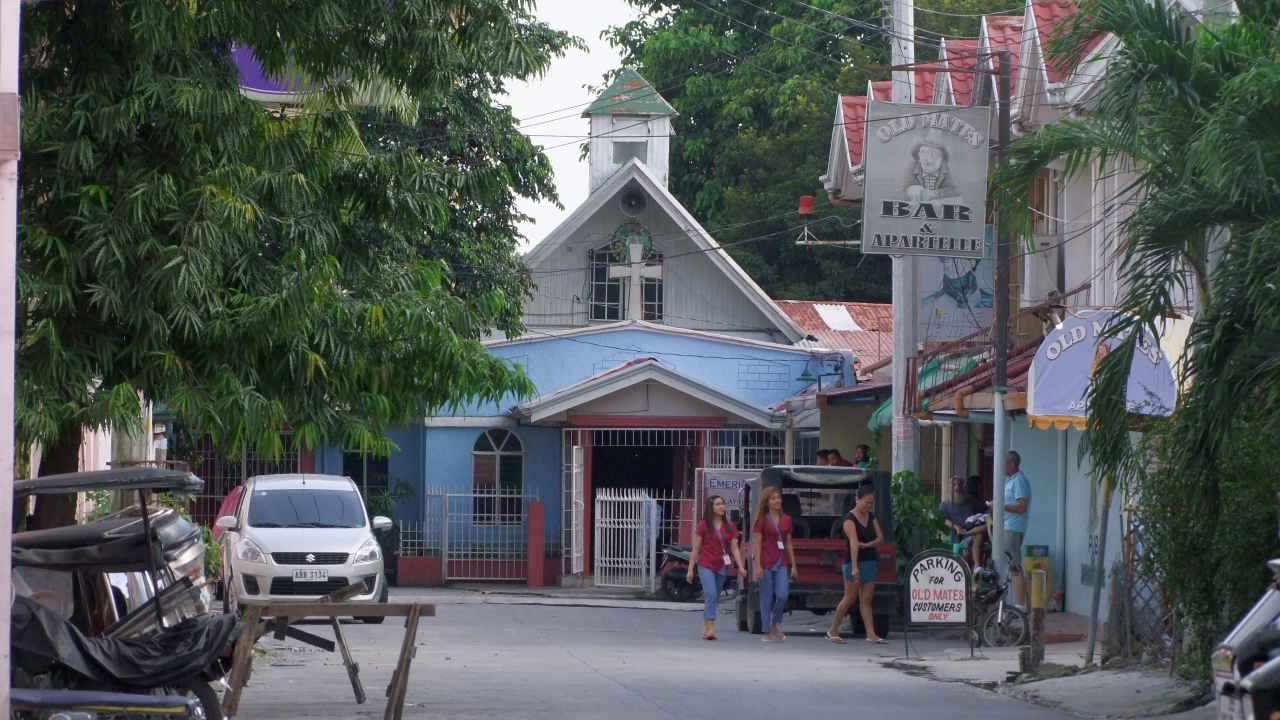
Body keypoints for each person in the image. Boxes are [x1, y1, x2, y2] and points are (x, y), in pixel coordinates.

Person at [826, 485, 887, 644]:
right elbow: (853, 543)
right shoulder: (849, 520)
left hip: (870, 559)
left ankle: (871, 634)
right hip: (853, 561)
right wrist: (854, 567)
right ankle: (833, 629)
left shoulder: (872, 517)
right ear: (857, 500)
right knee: (849, 597)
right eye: (866, 502)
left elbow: (880, 537)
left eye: (871, 503)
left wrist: (868, 545)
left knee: (866, 599)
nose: (868, 506)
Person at [687, 495, 746, 641]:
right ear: (711, 508)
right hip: (706, 564)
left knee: (714, 597)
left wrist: (740, 566)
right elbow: (696, 548)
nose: (722, 507)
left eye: (723, 504)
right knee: (712, 594)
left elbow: (735, 549)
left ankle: (707, 625)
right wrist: (690, 569)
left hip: (721, 566)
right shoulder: (703, 525)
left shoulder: (730, 526)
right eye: (718, 504)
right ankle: (711, 626)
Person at [752, 487, 797, 642]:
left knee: (783, 595)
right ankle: (766, 631)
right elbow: (756, 544)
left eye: (778, 498)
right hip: (765, 562)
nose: (777, 501)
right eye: (772, 498)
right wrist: (757, 565)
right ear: (767, 502)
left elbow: (789, 543)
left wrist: (794, 565)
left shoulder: (787, 519)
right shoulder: (762, 520)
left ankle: (776, 622)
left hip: (782, 562)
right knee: (766, 597)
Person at [1001, 451, 1032, 603]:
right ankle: (1018, 604)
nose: (1002, 466)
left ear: (1012, 464)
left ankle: (1020, 606)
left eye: (1005, 463)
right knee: (1010, 566)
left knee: (1015, 566)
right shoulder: (1009, 480)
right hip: (1006, 526)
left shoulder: (1019, 480)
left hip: (1013, 528)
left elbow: (1021, 507)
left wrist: (1002, 507)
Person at [939, 476, 985, 568]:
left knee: (980, 532)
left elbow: (985, 510)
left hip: (970, 533)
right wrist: (955, 526)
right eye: (954, 485)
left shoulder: (971, 501)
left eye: (960, 485)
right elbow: (942, 519)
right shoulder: (945, 505)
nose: (957, 487)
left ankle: (977, 567)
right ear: (950, 487)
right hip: (954, 534)